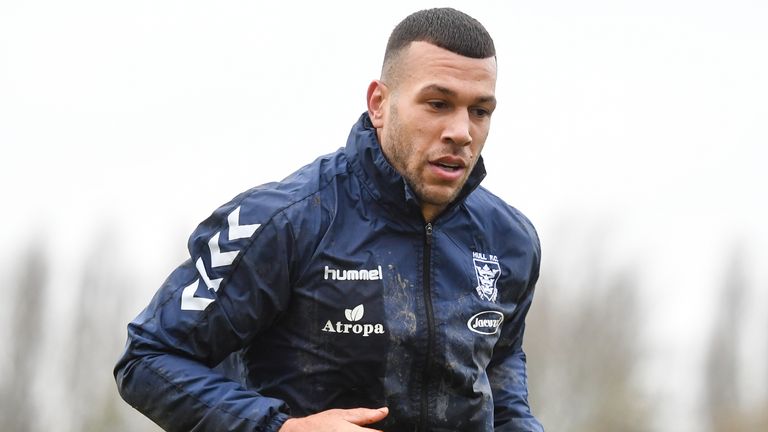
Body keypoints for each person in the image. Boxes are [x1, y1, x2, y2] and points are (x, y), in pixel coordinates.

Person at [115, 7, 544, 432]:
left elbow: (499, 385)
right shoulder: (282, 222)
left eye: (479, 111)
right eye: (437, 103)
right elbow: (148, 359)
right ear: (379, 103)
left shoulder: (509, 240)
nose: (461, 131)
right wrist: (283, 429)